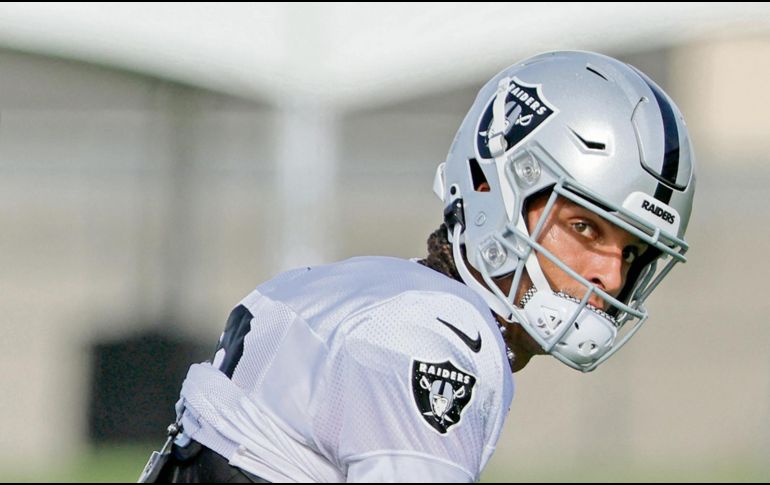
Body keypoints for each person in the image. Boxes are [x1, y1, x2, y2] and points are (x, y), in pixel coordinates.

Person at [139, 50, 695, 483]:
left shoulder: (367, 291)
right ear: (491, 188)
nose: (612, 277)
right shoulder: (433, 339)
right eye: (584, 228)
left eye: (630, 251)